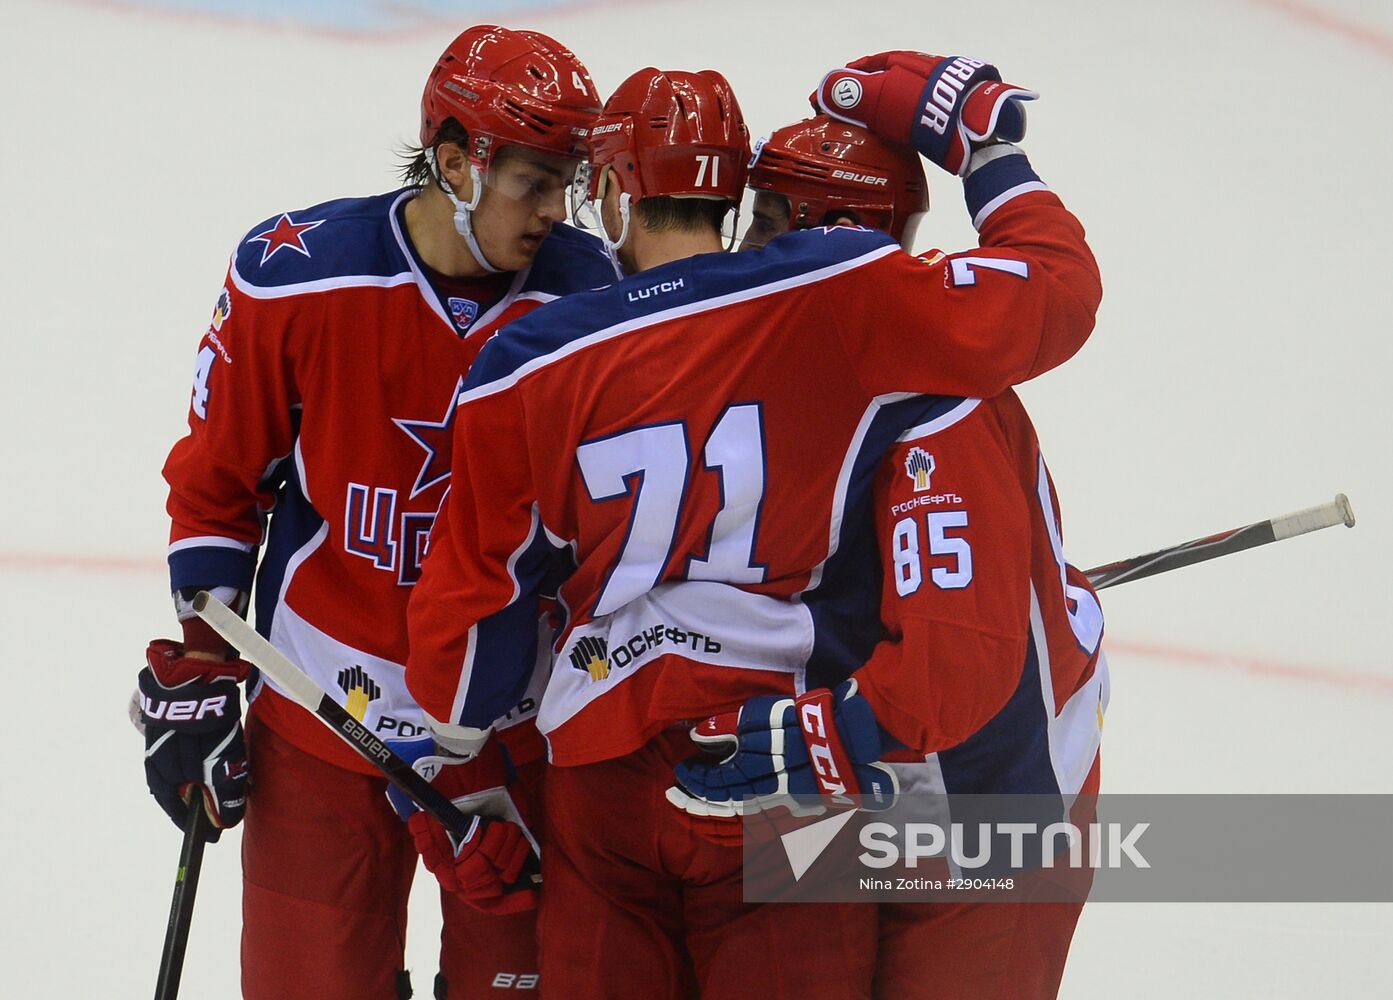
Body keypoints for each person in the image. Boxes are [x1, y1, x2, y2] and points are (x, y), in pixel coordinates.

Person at [404, 52, 1102, 999]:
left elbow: (472, 614)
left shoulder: (526, 357)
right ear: (730, 192)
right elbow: (1053, 292)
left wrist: (459, 755)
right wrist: (988, 151)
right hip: (780, 758)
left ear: (610, 187)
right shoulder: (842, 290)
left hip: (605, 772)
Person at [133, 24, 616, 999]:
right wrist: (203, 657)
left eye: (567, 182)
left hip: (511, 740)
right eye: (533, 181)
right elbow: (218, 484)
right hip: (321, 721)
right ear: (454, 163)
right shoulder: (296, 276)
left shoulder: (595, 297)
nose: (554, 211)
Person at [674, 113, 1108, 999]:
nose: (737, 248)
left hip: (989, 818)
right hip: (893, 797)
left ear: (818, 232)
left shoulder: (931, 410)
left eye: (761, 219)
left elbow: (958, 662)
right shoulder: (809, 363)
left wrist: (836, 733)